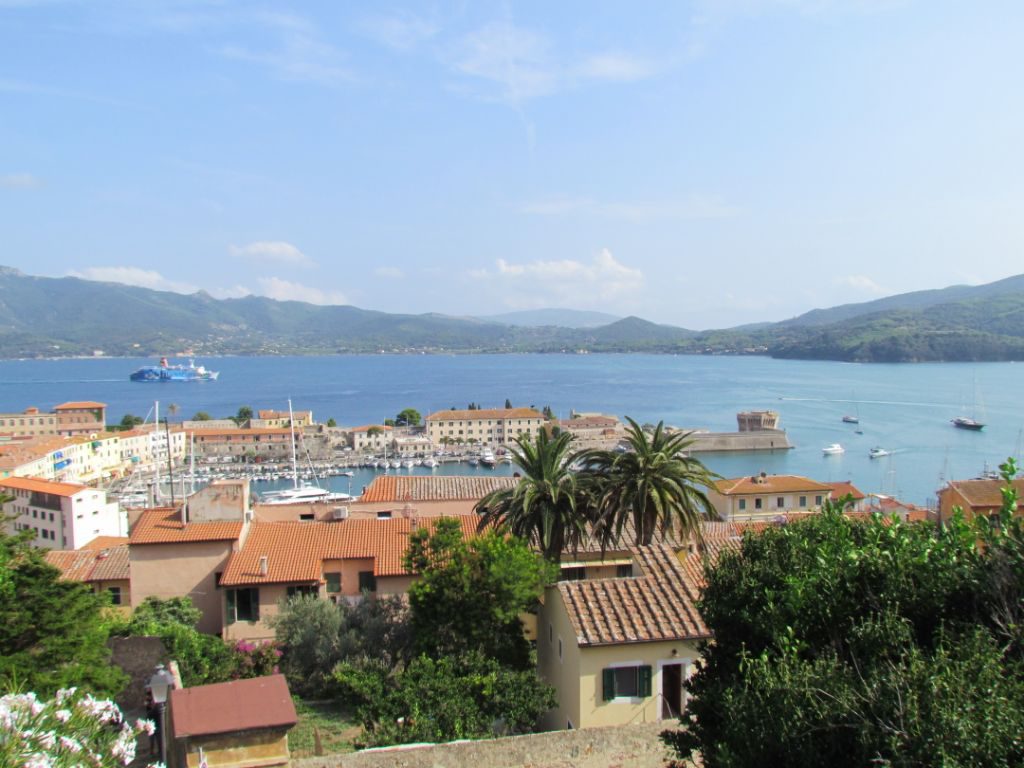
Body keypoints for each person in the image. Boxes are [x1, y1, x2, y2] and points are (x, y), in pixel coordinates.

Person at [145, 690, 159, 757]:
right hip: (152, 722)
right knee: (152, 739)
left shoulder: (151, 699)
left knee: (156, 738)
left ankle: (154, 751)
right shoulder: (148, 699)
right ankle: (152, 752)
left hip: (156, 723)